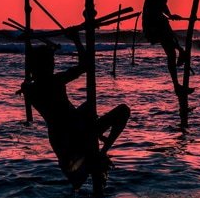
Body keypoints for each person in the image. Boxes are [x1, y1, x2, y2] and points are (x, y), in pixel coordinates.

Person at [20, 44, 130, 189]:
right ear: (42, 65)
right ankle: (101, 152)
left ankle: (96, 156)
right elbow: (85, 65)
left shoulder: (30, 90)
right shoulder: (55, 81)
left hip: (63, 141)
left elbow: (28, 85)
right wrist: (77, 41)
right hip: (76, 136)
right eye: (50, 63)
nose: (53, 65)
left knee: (89, 108)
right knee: (123, 111)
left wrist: (25, 84)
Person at [142, 0, 200, 97]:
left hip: (159, 22)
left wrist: (169, 14)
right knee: (171, 52)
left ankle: (181, 59)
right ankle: (177, 84)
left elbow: (161, 5)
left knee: (172, 51)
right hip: (155, 24)